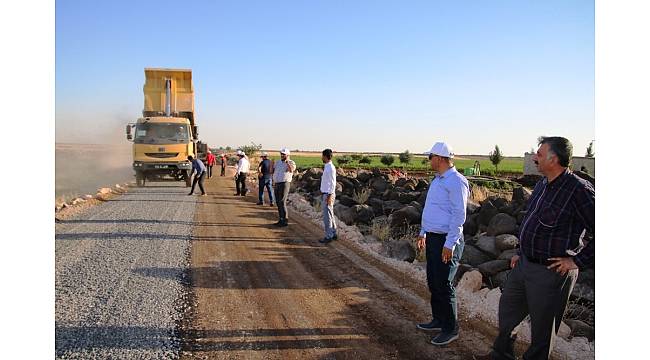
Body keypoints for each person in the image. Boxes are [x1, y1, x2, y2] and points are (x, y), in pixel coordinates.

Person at [474, 137, 595, 360]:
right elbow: (532, 221)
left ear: (554, 159)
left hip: (551, 272)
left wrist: (575, 261)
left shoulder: (579, 190)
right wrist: (521, 252)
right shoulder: (542, 184)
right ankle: (501, 355)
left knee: (542, 331)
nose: (534, 158)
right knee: (508, 312)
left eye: (539, 154)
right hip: (525, 265)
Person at [415, 141, 468, 346]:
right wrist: (423, 232)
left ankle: (450, 328)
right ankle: (438, 319)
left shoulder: (457, 182)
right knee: (433, 281)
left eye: (431, 157)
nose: (429, 160)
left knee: (445, 284)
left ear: (440, 158)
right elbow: (430, 209)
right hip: (433, 237)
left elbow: (459, 216)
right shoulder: (437, 180)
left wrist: (450, 244)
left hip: (447, 240)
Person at [271, 148, 296, 227]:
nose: (282, 155)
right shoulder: (278, 162)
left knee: (282, 201)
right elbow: (272, 171)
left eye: (283, 154)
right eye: (281, 154)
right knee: (278, 202)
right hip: (277, 183)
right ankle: (281, 219)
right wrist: (272, 164)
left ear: (287, 155)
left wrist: (287, 162)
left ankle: (285, 220)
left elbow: (291, 170)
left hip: (285, 183)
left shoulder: (291, 162)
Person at [319, 149, 338, 244]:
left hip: (328, 194)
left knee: (327, 217)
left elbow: (333, 183)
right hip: (326, 193)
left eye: (322, 156)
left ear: (325, 156)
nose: (321, 157)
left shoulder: (330, 168)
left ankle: (328, 236)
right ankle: (333, 233)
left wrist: (329, 196)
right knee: (330, 214)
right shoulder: (328, 167)